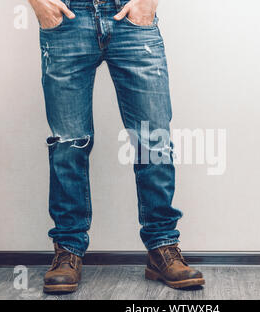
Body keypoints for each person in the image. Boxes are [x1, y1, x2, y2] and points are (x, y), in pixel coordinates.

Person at [28, 0, 205, 293]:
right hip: (68, 18)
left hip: (131, 19)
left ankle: (162, 247)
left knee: (153, 140)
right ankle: (67, 250)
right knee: (68, 144)